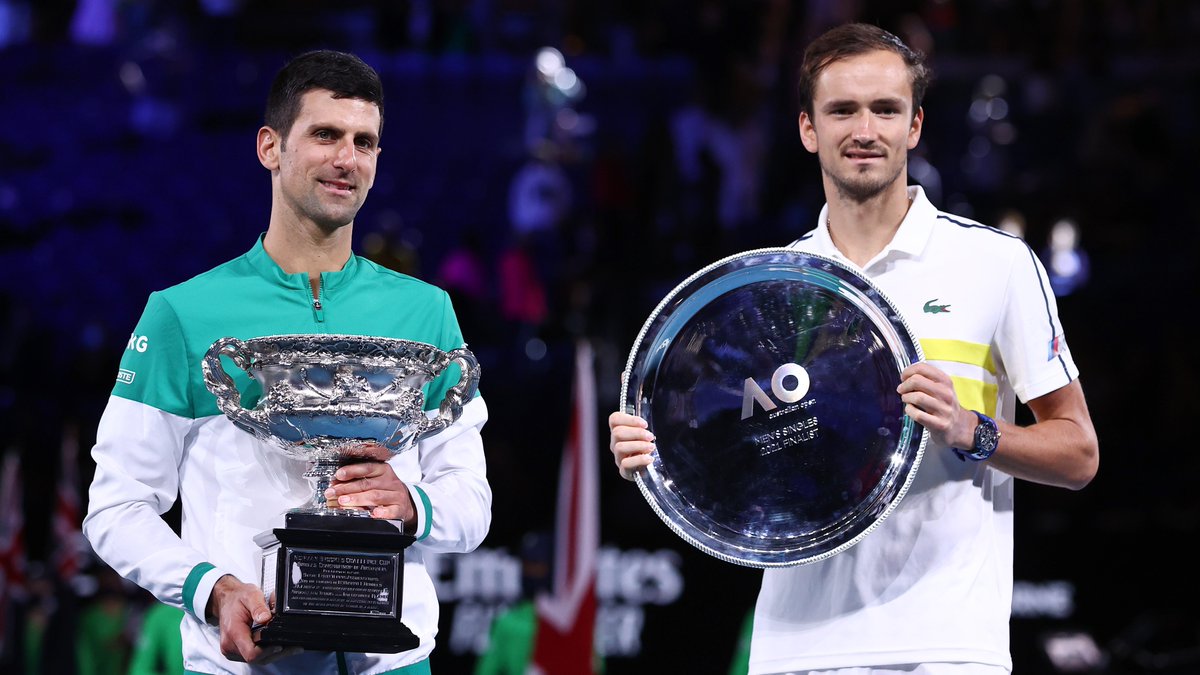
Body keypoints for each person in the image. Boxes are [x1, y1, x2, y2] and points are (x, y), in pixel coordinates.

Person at [608, 23, 1098, 674]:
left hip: (944, 646)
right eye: (842, 110)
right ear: (809, 128)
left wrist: (970, 429)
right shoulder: (768, 286)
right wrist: (663, 449)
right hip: (794, 647)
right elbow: (740, 454)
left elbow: (1078, 452)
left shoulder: (995, 263)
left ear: (914, 125)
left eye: (885, 109)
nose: (864, 129)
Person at [83, 50, 491, 673]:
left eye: (365, 142)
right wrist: (211, 591)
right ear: (270, 147)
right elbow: (117, 507)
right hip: (245, 664)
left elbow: (471, 501)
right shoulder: (183, 314)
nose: (346, 159)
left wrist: (413, 505)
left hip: (397, 663)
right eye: (325, 134)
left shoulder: (426, 313)